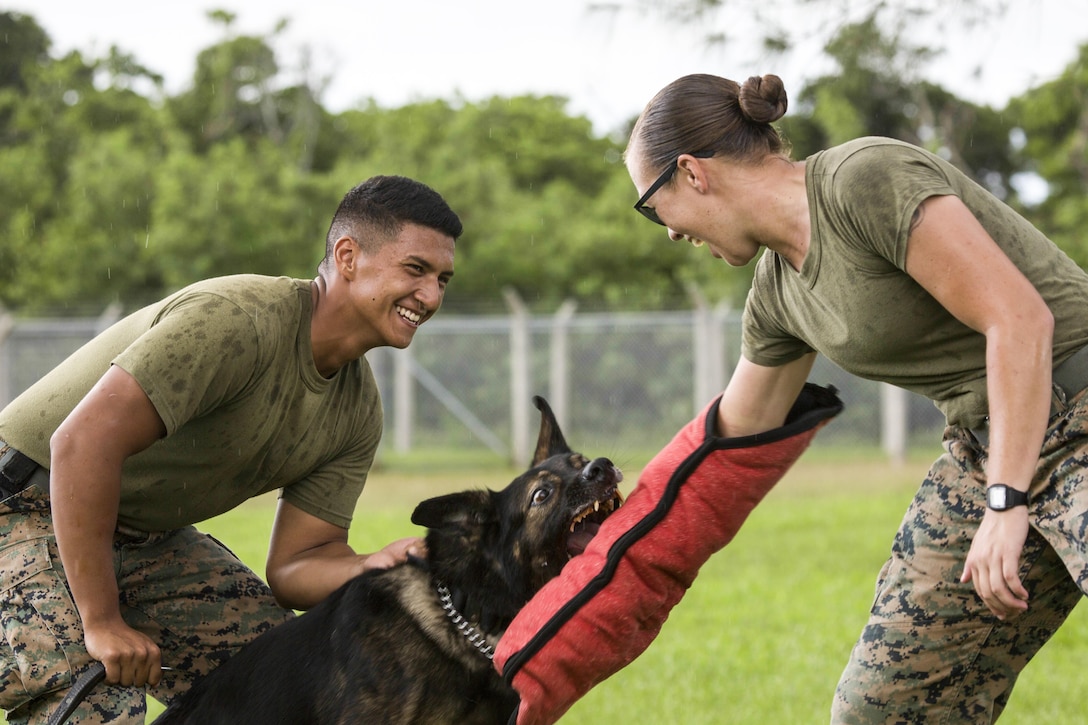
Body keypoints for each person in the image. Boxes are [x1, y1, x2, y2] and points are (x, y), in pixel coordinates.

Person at [494, 73, 1088, 724]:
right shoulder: (778, 298)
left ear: (690, 172)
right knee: (880, 710)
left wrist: (1007, 503)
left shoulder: (864, 178)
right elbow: (715, 460)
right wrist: (551, 630)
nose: (665, 231)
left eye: (650, 204)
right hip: (987, 449)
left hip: (1075, 410)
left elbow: (1020, 320)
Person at [0, 174, 461, 723]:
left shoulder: (358, 409)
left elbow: (298, 563)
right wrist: (101, 621)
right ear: (347, 256)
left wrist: (370, 564)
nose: (431, 296)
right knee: (94, 690)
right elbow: (80, 444)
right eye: (415, 270)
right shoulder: (239, 319)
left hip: (144, 538)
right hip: (24, 504)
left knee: (286, 673)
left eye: (442, 279)